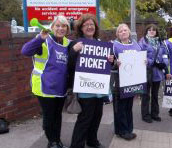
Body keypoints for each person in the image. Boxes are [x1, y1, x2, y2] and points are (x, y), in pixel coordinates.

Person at [21, 15, 70, 148]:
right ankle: (52, 142)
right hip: (44, 86)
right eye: (57, 25)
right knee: (49, 116)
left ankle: (57, 140)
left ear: (67, 28)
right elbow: (25, 51)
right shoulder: (44, 40)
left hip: (61, 87)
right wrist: (39, 39)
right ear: (52, 27)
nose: (61, 28)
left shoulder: (68, 43)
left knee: (57, 115)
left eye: (64, 26)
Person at [68, 14, 112, 148]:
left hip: (99, 88)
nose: (89, 27)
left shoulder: (100, 43)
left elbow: (106, 65)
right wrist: (74, 52)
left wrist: (111, 60)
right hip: (85, 89)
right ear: (80, 28)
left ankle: (92, 141)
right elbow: (69, 65)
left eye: (91, 24)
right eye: (86, 24)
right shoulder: (75, 44)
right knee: (85, 119)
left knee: (97, 117)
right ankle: (76, 145)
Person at [111, 23, 141, 140]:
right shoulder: (114, 46)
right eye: (120, 31)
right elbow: (109, 63)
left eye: (125, 30)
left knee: (128, 107)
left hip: (132, 81)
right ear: (118, 34)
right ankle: (121, 131)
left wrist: (144, 62)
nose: (123, 32)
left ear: (129, 32)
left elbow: (140, 60)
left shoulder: (136, 45)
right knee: (120, 107)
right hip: (119, 81)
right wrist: (114, 64)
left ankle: (129, 129)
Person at [139, 24, 168, 123]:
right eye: (150, 30)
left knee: (155, 95)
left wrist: (164, 63)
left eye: (154, 30)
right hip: (147, 72)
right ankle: (145, 115)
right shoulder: (142, 42)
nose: (152, 31)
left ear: (156, 32)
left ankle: (155, 114)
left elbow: (165, 54)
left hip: (158, 73)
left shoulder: (160, 42)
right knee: (146, 95)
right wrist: (153, 62)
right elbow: (140, 56)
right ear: (147, 31)